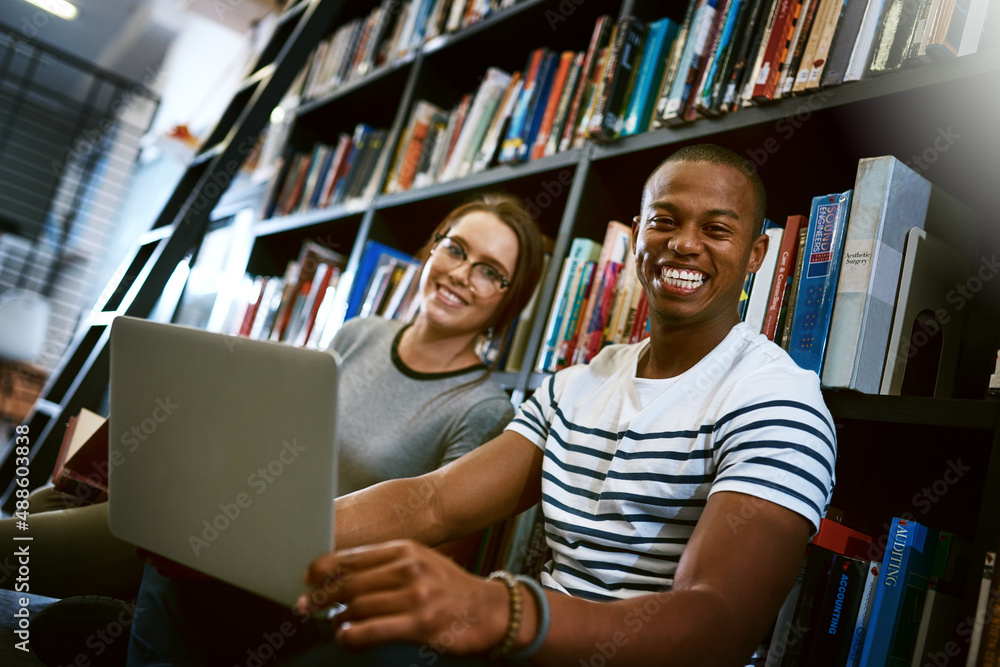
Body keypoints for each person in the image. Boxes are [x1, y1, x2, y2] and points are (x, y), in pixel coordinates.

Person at [128, 144, 837, 667]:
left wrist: (501, 607)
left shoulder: (776, 399)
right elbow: (435, 501)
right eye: (664, 221)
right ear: (640, 237)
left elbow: (717, 624)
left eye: (716, 228)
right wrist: (255, 527)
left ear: (753, 257)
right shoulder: (576, 384)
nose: (684, 243)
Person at [0, 192, 545, 656]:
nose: (460, 274)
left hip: (303, 576)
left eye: (490, 272)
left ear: (508, 302)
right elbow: (288, 432)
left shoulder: (483, 409)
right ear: (432, 249)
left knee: (62, 540)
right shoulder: (362, 333)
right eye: (455, 248)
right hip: (243, 513)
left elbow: (432, 560)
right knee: (62, 499)